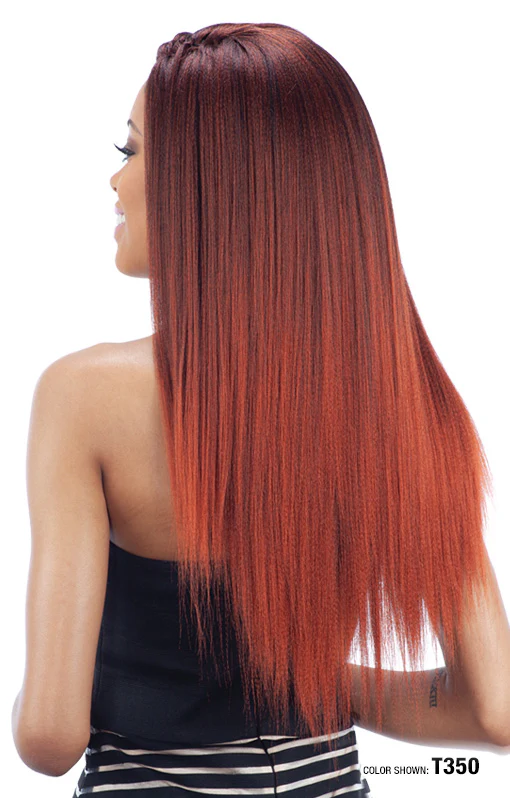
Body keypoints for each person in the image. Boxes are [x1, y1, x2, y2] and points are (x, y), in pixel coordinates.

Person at [11, 22, 510, 797]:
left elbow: (49, 736)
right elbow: (496, 708)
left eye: (131, 151)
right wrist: (311, 681)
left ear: (211, 181)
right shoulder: (405, 406)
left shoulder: (85, 396)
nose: (115, 180)